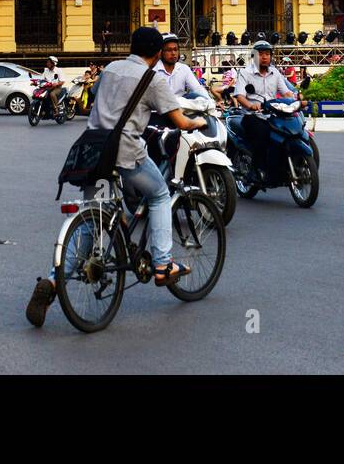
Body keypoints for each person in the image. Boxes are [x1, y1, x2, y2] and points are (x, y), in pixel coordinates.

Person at [25, 26, 210, 328]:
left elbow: (102, 98)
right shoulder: (153, 78)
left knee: (91, 222)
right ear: (156, 53)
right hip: (124, 151)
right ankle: (163, 265)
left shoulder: (111, 68)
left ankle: (52, 282)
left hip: (93, 148)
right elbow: (178, 119)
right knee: (160, 194)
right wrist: (198, 122)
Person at [233, 40, 298, 181]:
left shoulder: (275, 73)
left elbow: (286, 92)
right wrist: (250, 105)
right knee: (263, 133)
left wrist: (295, 99)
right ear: (254, 56)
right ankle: (255, 169)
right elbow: (239, 96)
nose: (264, 57)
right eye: (261, 54)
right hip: (252, 116)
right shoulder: (245, 73)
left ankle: (280, 168)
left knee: (286, 132)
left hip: (273, 114)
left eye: (267, 54)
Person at [156, 33, 208, 98]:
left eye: (175, 49)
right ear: (161, 52)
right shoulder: (154, 70)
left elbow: (197, 88)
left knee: (196, 96)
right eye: (169, 50)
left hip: (181, 105)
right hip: (160, 106)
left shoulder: (184, 69)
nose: (173, 53)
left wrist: (210, 101)